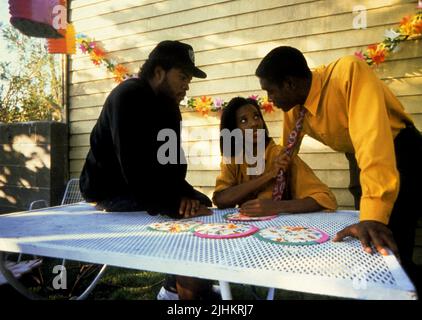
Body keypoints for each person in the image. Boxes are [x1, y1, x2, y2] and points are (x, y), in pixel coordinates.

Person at [255, 46, 422, 290]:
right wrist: (273, 180)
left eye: (271, 91)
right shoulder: (296, 110)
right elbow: (286, 156)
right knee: (368, 243)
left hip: (399, 152)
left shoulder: (348, 73)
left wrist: (374, 215)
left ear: (289, 84)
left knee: (390, 246)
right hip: (359, 157)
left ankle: (403, 289)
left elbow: (373, 141)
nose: (269, 99)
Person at [79, 40, 217, 300]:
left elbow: (174, 166)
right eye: (183, 77)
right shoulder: (127, 96)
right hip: (109, 190)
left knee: (201, 203)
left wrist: (187, 197)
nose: (187, 85)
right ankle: (186, 290)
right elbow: (134, 168)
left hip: (144, 185)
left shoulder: (170, 108)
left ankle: (176, 286)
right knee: (186, 212)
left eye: (189, 79)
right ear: (158, 72)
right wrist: (175, 203)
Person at [213, 96, 337, 214]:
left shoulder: (282, 156)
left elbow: (324, 198)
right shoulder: (233, 159)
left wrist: (277, 207)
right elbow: (221, 200)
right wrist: (269, 176)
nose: (254, 123)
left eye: (256, 117)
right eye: (244, 120)